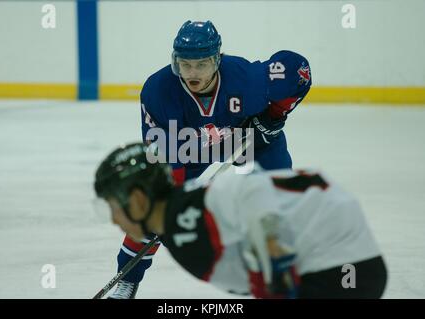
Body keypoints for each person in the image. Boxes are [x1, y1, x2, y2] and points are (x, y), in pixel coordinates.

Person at [113, 20, 312, 298]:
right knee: (151, 207)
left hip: (250, 143)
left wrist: (273, 118)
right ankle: (127, 278)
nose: (192, 73)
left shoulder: (247, 78)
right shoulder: (158, 92)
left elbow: (298, 71)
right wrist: (173, 207)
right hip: (188, 150)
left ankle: (284, 275)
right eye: (185, 64)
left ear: (217, 60)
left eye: (202, 64)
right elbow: (165, 161)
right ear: (175, 62)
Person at [94, 143, 388, 299]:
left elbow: (252, 185)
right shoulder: (178, 222)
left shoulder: (187, 216)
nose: (113, 220)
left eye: (112, 206)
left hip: (340, 266)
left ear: (138, 200)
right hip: (345, 264)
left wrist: (273, 252)